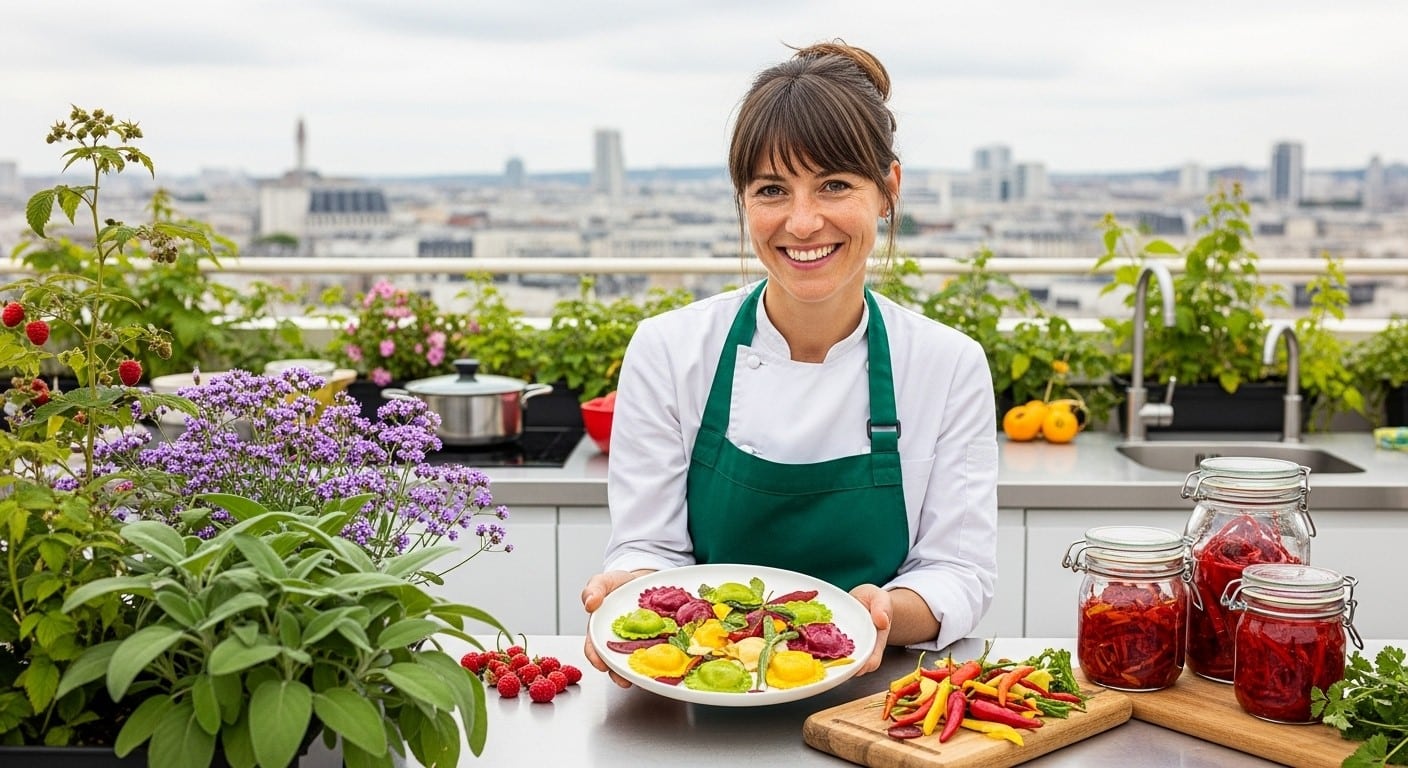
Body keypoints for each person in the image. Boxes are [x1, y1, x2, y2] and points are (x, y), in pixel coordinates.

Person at [581, 40, 998, 685]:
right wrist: (631, 590)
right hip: (696, 695)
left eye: (835, 185)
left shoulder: (947, 365)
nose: (803, 223)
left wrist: (886, 613)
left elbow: (958, 573)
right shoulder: (669, 351)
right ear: (743, 199)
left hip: (882, 703)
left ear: (888, 189)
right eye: (772, 189)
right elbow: (650, 549)